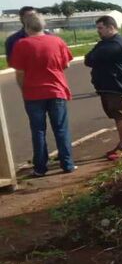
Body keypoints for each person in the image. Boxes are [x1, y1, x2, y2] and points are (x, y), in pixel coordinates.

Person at [8, 12, 75, 176]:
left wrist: (23, 88)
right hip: (56, 89)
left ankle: (40, 167)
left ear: (26, 27)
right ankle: (67, 164)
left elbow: (20, 72)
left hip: (33, 93)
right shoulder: (57, 41)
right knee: (61, 129)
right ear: (44, 26)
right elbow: (65, 64)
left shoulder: (21, 44)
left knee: (38, 131)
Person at [85, 15, 122, 161]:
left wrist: (94, 56)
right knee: (117, 116)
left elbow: (92, 58)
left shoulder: (116, 44)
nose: (98, 31)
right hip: (109, 87)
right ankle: (121, 144)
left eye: (100, 28)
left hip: (118, 86)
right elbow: (88, 58)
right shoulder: (105, 43)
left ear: (110, 27)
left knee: (121, 116)